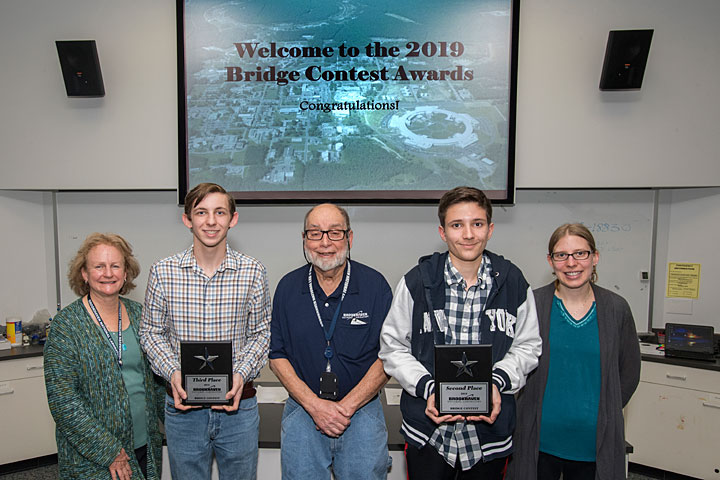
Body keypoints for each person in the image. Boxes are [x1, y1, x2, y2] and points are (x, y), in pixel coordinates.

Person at [379, 186, 542, 479]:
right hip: (429, 437)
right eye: (457, 225)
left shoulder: (513, 282)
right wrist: (429, 388)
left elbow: (528, 346)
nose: (468, 234)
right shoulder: (417, 281)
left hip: (489, 439)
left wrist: (497, 381)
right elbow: (392, 347)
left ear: (490, 229)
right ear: (442, 232)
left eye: (477, 224)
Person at [139, 183, 271, 480]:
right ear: (187, 219)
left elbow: (262, 333)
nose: (211, 221)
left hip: (239, 407)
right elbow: (150, 332)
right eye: (201, 212)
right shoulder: (163, 271)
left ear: (232, 219)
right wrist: (174, 372)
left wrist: (240, 374)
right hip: (182, 410)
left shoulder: (253, 271)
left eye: (219, 212)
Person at [507, 223, 641, 480]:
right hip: (538, 440)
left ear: (595, 257)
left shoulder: (616, 309)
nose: (571, 263)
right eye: (562, 255)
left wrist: (604, 412)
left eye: (580, 253)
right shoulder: (532, 305)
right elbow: (514, 363)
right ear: (551, 260)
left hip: (594, 442)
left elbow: (629, 373)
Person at [269, 203, 394, 479]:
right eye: (315, 233)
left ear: (350, 238)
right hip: (303, 411)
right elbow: (277, 355)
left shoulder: (375, 286)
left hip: (361, 411)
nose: (325, 242)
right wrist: (314, 405)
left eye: (335, 233)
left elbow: (388, 356)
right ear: (304, 240)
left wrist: (346, 407)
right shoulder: (288, 288)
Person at [44, 233, 164, 480]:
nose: (107, 273)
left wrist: (180, 423)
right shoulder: (66, 326)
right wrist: (108, 450)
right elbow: (63, 401)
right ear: (85, 274)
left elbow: (157, 381)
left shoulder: (141, 315)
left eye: (115, 266)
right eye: (98, 266)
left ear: (126, 273)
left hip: (144, 443)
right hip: (92, 454)